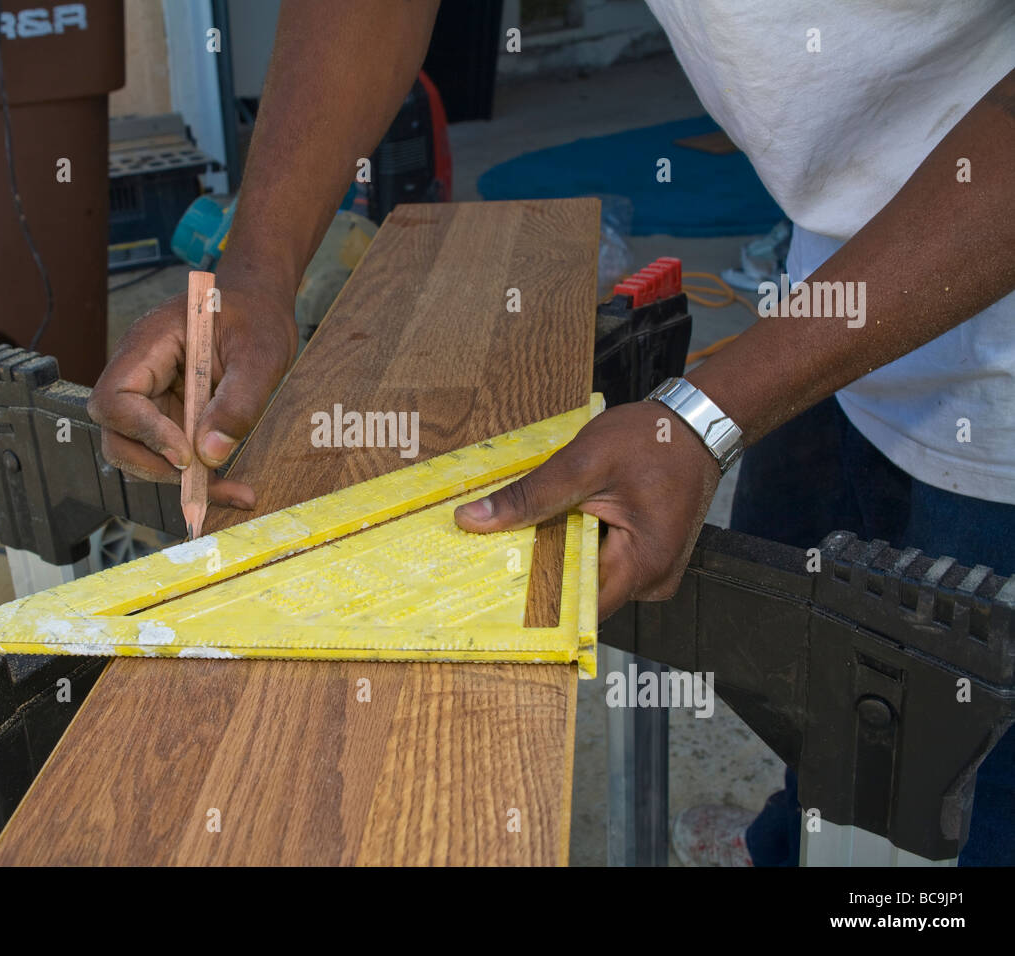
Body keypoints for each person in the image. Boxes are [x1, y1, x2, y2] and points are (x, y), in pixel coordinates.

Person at [88, 1, 1015, 865]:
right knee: (818, 687)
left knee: (970, 770)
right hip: (840, 280)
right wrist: (255, 270)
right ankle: (805, 831)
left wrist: (703, 413)